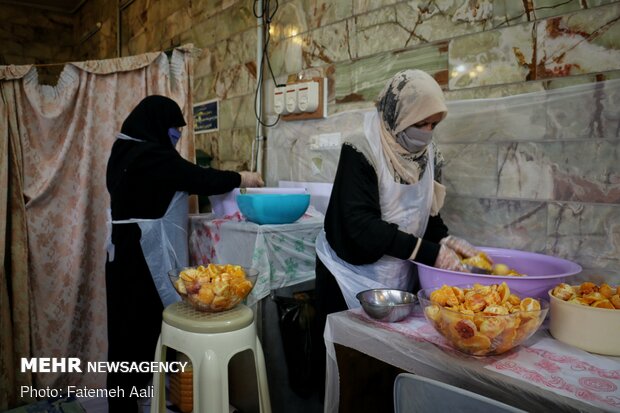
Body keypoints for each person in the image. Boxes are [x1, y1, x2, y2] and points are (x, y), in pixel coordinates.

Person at [312, 70, 486, 399]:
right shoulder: (362, 148)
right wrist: (430, 252)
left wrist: (444, 239)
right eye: (421, 124)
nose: (427, 133)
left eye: (434, 125)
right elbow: (360, 227)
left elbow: (425, 211)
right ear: (398, 114)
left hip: (396, 277)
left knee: (387, 373)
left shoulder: (428, 155)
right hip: (348, 273)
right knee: (351, 372)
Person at [104, 95, 263, 412]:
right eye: (174, 129)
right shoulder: (150, 155)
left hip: (121, 254)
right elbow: (198, 178)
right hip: (142, 259)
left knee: (124, 336)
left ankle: (128, 402)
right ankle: (131, 404)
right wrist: (242, 178)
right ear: (157, 126)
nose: (176, 136)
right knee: (141, 334)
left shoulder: (123, 149)